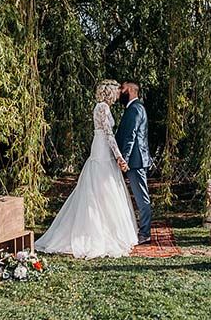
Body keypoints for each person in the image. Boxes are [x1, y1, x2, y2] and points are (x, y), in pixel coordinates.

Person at [35, 80, 138, 259]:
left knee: (102, 188)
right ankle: (98, 232)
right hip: (102, 149)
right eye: (115, 92)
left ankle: (106, 228)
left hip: (100, 146)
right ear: (109, 93)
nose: (117, 95)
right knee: (102, 189)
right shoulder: (103, 108)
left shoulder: (101, 106)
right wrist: (119, 156)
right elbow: (108, 134)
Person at [116, 81, 152, 245]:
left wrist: (124, 158)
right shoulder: (133, 108)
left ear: (129, 90)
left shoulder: (135, 109)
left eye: (122, 88)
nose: (120, 92)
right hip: (134, 159)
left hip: (135, 161)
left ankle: (145, 233)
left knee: (141, 198)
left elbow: (131, 135)